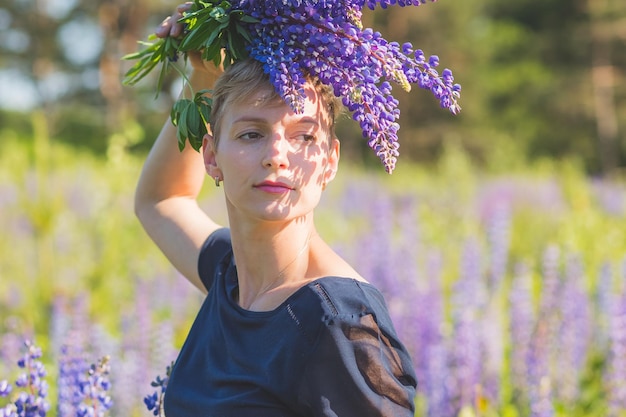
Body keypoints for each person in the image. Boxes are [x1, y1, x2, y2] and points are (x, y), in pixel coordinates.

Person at [134, 4, 417, 416]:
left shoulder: (339, 323)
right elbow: (161, 200)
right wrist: (203, 72)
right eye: (251, 133)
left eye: (303, 136)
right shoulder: (228, 273)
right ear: (210, 156)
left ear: (330, 160)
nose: (277, 156)